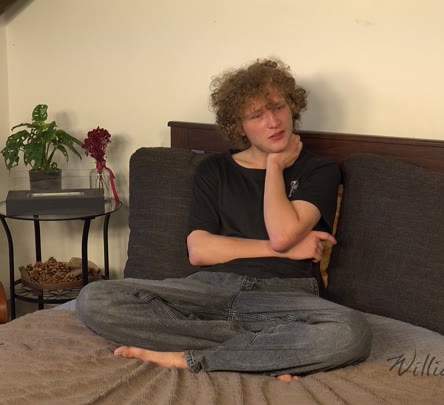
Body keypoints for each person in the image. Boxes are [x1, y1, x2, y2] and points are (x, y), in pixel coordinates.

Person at [77, 58, 372, 380]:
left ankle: (195, 357)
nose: (273, 122)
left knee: (351, 332)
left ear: (292, 108)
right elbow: (200, 251)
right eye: (257, 115)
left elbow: (283, 234)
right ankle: (266, 351)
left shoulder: (319, 171)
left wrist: (274, 167)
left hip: (286, 297)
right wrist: (284, 252)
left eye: (278, 107)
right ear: (240, 126)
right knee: (95, 298)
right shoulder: (214, 169)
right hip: (209, 291)